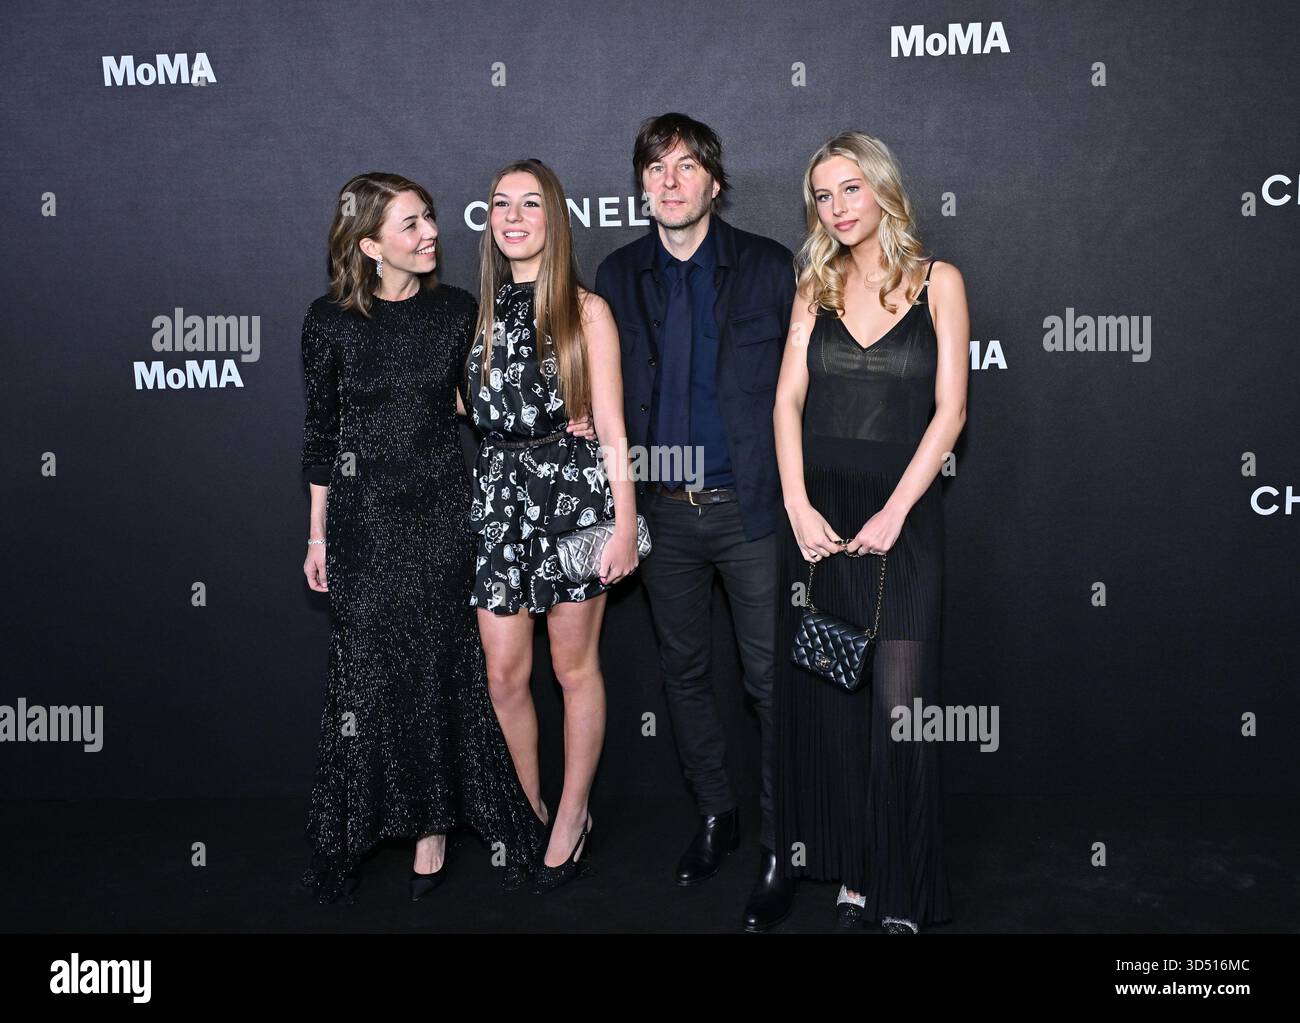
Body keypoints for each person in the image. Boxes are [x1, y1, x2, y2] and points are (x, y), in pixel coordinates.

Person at [298, 172, 591, 903]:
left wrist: (565, 421)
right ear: (369, 245)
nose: (432, 232)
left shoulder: (458, 310)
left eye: (429, 217)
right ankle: (357, 828)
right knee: (366, 674)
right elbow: (320, 437)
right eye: (411, 224)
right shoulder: (327, 321)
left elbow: (483, 398)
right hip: (363, 521)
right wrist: (318, 537)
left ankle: (432, 829)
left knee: (435, 669)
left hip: (443, 515)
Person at [594, 113, 797, 931]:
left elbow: (805, 388)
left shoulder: (769, 268)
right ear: (641, 184)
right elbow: (596, 388)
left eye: (685, 168)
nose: (669, 182)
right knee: (683, 676)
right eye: (655, 168)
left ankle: (786, 841)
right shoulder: (617, 274)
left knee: (769, 683)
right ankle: (718, 814)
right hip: (661, 518)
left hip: (751, 509)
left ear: (715, 182)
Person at [772, 132, 969, 932]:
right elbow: (786, 400)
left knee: (901, 707)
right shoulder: (812, 283)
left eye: (850, 189)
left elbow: (951, 410)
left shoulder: (938, 281)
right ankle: (854, 871)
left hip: (905, 515)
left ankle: (903, 886)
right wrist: (795, 504)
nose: (838, 208)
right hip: (821, 518)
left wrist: (895, 510)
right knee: (834, 707)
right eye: (823, 195)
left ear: (883, 188)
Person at [463, 159, 639, 893]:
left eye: (530, 204)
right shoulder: (475, 313)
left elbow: (613, 428)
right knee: (505, 675)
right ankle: (526, 809)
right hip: (500, 499)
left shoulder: (585, 310)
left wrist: (625, 523)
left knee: (572, 670)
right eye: (501, 204)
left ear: (555, 218)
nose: (512, 216)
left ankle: (572, 815)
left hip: (576, 499)